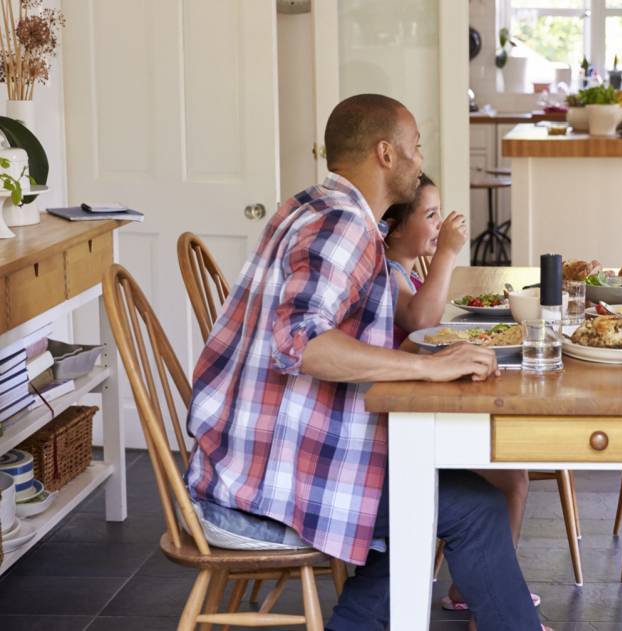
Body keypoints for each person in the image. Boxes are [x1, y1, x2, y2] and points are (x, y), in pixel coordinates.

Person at [186, 93, 548, 631]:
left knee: (424, 496)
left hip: (244, 458)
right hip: (264, 481)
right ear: (386, 153)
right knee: (476, 507)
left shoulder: (312, 205)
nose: (420, 161)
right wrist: (428, 367)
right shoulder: (343, 225)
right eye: (415, 148)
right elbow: (300, 344)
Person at [380, 177, 538, 612]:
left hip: (412, 406)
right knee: (510, 477)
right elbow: (420, 321)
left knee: (513, 474)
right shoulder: (388, 272)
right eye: (430, 215)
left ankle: (478, 589)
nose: (439, 224)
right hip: (401, 425)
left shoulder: (403, 268)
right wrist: (447, 251)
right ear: (394, 227)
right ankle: (484, 596)